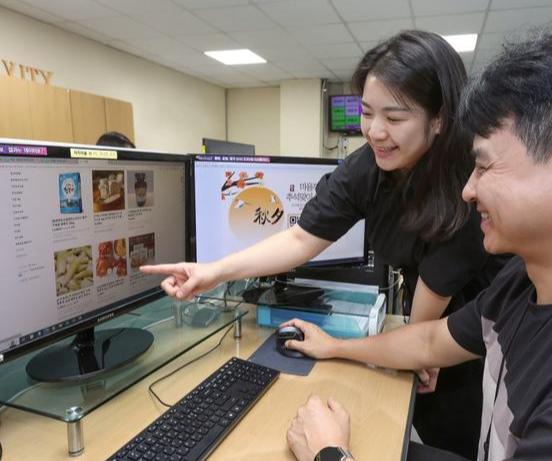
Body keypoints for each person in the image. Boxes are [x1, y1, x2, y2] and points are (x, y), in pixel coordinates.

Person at [142, 30, 505, 458]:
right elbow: (301, 238)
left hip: (476, 346)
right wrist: (213, 271)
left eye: (394, 118)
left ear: (439, 119)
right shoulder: (369, 169)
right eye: (366, 113)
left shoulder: (467, 189)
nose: (375, 131)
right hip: (425, 334)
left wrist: (338, 349)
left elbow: (423, 339)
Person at [285, 18, 552, 461]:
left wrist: (330, 455)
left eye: (484, 167)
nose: (468, 191)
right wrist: (335, 347)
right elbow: (428, 342)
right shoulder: (523, 286)